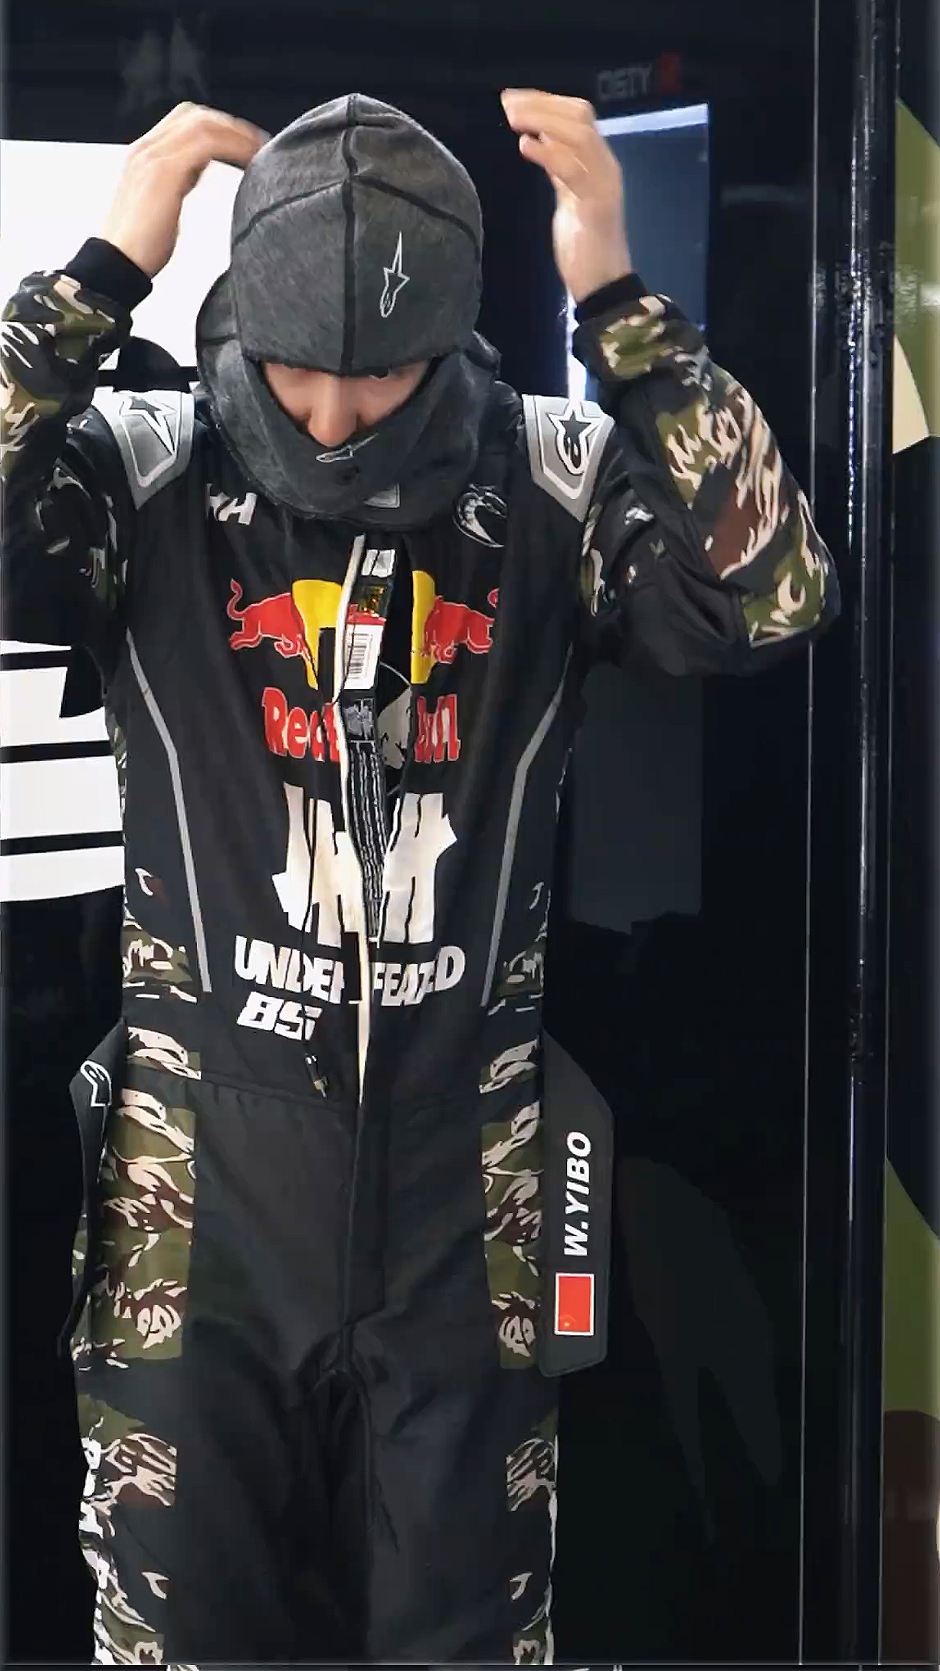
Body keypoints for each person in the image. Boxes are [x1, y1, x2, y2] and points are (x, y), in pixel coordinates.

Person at [1, 90, 838, 1664]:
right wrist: (104, 272)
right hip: (198, 1198)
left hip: (475, 1195)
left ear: (449, 342)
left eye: (378, 371)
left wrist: (618, 299)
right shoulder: (148, 470)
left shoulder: (550, 474)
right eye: (294, 368)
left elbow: (773, 594)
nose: (331, 413)